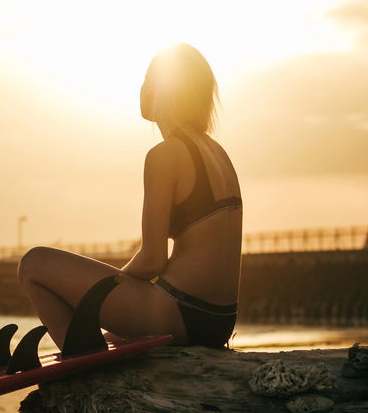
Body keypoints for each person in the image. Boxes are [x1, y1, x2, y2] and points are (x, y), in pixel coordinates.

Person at [18, 43, 242, 348]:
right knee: (115, 338)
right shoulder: (217, 154)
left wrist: (102, 294)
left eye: (149, 80)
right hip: (218, 321)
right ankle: (91, 346)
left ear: (166, 92)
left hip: (177, 309)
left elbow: (152, 260)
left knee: (34, 263)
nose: (142, 88)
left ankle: (82, 361)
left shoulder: (166, 155)